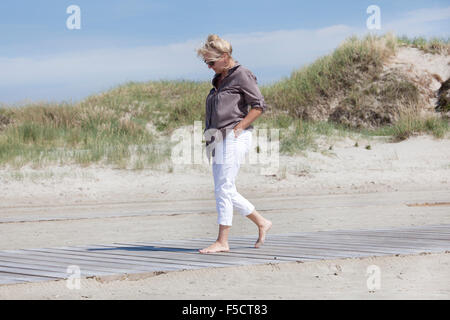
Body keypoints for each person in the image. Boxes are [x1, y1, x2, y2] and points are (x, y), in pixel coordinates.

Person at [196, 34, 272, 254]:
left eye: (211, 62)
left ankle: (222, 241)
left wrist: (240, 127)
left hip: (234, 136)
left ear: (226, 56)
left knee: (224, 188)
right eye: (206, 63)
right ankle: (261, 221)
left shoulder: (242, 74)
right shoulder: (220, 78)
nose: (209, 67)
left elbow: (258, 105)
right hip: (215, 137)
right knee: (223, 189)